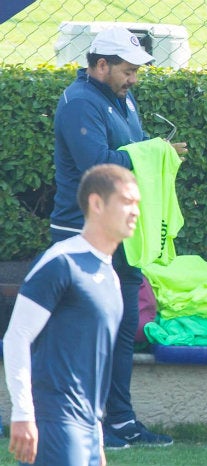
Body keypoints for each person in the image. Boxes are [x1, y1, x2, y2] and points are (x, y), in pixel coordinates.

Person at [49, 26, 187, 448]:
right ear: (101, 65)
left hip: (123, 238)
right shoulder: (78, 103)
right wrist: (157, 152)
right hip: (83, 238)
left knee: (124, 330)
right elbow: (100, 168)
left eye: (136, 72)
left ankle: (121, 420)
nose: (134, 80)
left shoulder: (123, 98)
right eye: (127, 71)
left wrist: (156, 150)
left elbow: (136, 149)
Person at [4, 164, 140, 465]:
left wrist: (97, 439)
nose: (136, 212)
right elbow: (16, 338)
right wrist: (24, 414)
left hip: (89, 432)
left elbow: (95, 364)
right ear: (96, 203)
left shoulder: (111, 275)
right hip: (54, 425)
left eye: (138, 204)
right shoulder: (61, 262)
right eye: (127, 201)